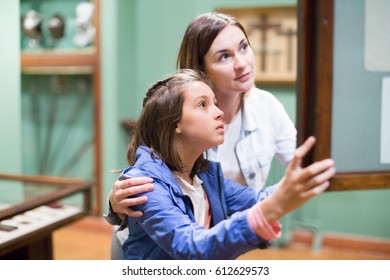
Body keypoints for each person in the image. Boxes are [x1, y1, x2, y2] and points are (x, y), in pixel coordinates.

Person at [105, 12, 297, 258]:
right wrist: (114, 205)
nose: (242, 63)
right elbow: (189, 244)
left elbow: (264, 194)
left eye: (244, 47)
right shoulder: (156, 169)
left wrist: (300, 182)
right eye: (224, 56)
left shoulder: (208, 173)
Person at [118, 69, 335, 259]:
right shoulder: (145, 184)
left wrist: (297, 180)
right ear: (174, 123)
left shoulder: (207, 176)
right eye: (203, 104)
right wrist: (270, 208)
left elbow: (257, 200)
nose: (219, 112)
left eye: (215, 103)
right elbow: (191, 248)